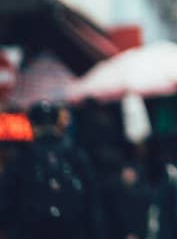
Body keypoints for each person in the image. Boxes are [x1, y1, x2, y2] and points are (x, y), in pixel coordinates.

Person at [0, 100, 105, 239]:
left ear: (32, 125)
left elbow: (6, 203)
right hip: (72, 230)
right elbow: (92, 202)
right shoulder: (75, 154)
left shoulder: (22, 158)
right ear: (57, 123)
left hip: (32, 231)